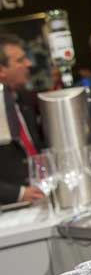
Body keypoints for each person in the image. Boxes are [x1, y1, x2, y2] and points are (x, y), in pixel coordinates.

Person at [0, 34, 46, 204]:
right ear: (1, 70)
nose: (29, 64)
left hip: (41, 198)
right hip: (9, 211)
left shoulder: (25, 100)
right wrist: (19, 194)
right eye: (20, 60)